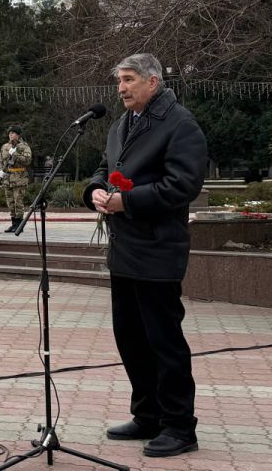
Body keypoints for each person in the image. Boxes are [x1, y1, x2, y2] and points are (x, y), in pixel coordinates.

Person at [82, 53, 207, 459]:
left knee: (163, 341)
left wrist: (128, 202)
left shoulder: (180, 124)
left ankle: (179, 426)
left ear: (153, 82)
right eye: (119, 81)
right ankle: (148, 414)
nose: (121, 88)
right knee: (131, 338)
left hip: (157, 248)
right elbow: (105, 167)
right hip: (125, 248)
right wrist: (96, 191)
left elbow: (182, 185)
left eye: (129, 80)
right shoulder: (123, 124)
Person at [0, 125, 32, 233]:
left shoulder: (24, 147)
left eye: (13, 133)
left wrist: (15, 154)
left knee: (18, 202)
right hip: (7, 178)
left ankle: (19, 226)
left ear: (18, 135)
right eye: (9, 133)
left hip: (19, 178)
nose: (10, 134)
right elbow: (0, 161)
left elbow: (27, 160)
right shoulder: (5, 147)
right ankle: (13, 224)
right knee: (10, 203)